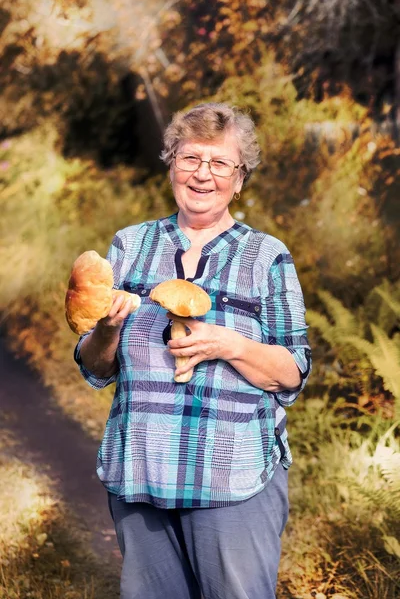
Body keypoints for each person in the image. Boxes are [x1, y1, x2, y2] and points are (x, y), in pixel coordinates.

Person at [74, 102, 311, 599]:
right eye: (189, 159)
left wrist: (231, 344)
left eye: (220, 163)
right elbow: (95, 367)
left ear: (239, 178)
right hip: (141, 472)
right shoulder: (129, 245)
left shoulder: (266, 256)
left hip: (233, 480)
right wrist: (107, 331)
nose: (203, 175)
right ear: (171, 165)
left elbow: (293, 371)